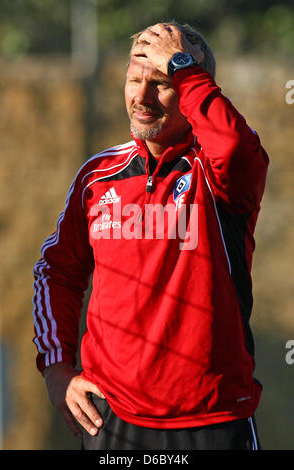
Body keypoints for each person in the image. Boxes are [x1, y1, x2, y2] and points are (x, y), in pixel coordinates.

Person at [32, 21, 269, 450]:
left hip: (213, 422)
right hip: (112, 421)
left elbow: (231, 146)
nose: (141, 98)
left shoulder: (220, 174)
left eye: (161, 83)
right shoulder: (97, 176)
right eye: (134, 79)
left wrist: (182, 65)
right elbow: (56, 272)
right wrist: (56, 368)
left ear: (195, 88)